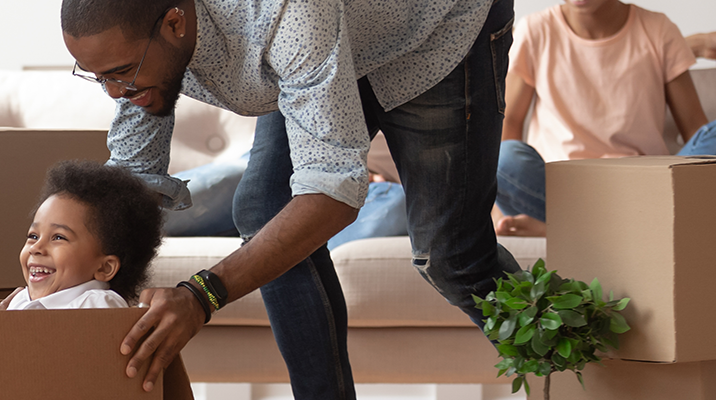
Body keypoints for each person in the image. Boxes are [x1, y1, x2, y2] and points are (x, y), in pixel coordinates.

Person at [60, 0, 521, 397]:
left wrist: (201, 296)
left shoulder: (286, 16)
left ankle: (574, 351)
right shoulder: (136, 45)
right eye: (100, 77)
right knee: (264, 208)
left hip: (435, 31)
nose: (117, 92)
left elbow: (333, 193)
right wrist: (52, 295)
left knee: (454, 257)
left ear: (175, 24)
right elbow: (130, 182)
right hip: (330, 36)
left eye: (122, 74)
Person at [493, 0, 716, 237]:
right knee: (504, 157)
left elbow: (698, 132)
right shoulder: (535, 31)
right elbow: (508, 122)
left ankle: (568, 230)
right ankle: (632, 229)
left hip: (648, 190)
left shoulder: (659, 29)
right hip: (563, 191)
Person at [165, 151, 408, 250]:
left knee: (397, 202)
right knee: (237, 175)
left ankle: (269, 245)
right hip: (286, 162)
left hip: (369, 189)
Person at [4, 160, 165, 310]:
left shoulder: (96, 304)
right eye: (33, 236)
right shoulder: (19, 301)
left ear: (104, 267)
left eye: (58, 237)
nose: (36, 248)